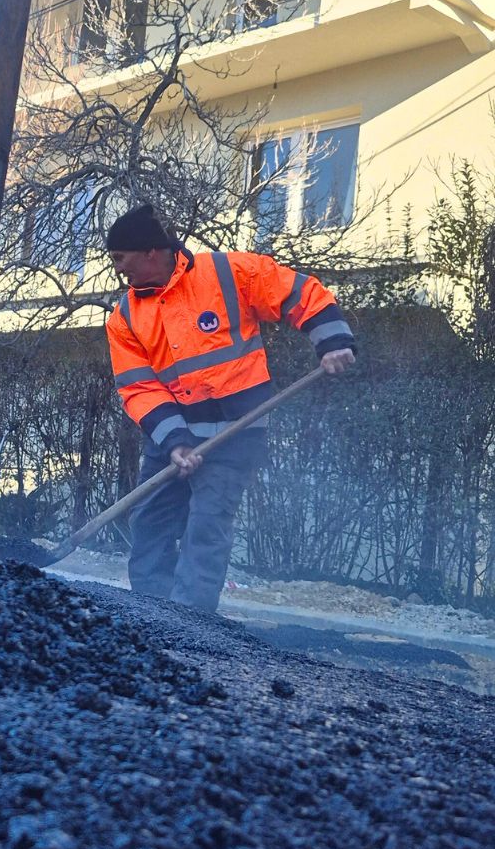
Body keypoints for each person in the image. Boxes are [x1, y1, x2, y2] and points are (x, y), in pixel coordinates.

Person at [105, 204, 356, 613]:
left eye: (120, 257)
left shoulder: (227, 273)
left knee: (207, 526)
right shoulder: (125, 317)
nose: (118, 268)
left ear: (150, 252)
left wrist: (332, 341)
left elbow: (298, 292)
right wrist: (175, 443)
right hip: (172, 440)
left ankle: (190, 621)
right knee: (149, 523)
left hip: (236, 432)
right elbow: (139, 388)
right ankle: (150, 615)